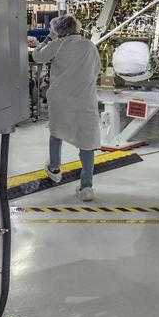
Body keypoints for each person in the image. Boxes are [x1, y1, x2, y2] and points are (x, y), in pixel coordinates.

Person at [32, 15, 101, 201]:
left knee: (56, 133)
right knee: (87, 143)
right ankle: (87, 187)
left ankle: (54, 169)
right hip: (85, 100)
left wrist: (48, 38)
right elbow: (97, 69)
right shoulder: (89, 45)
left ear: (59, 30)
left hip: (61, 100)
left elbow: (37, 56)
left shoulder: (58, 44)